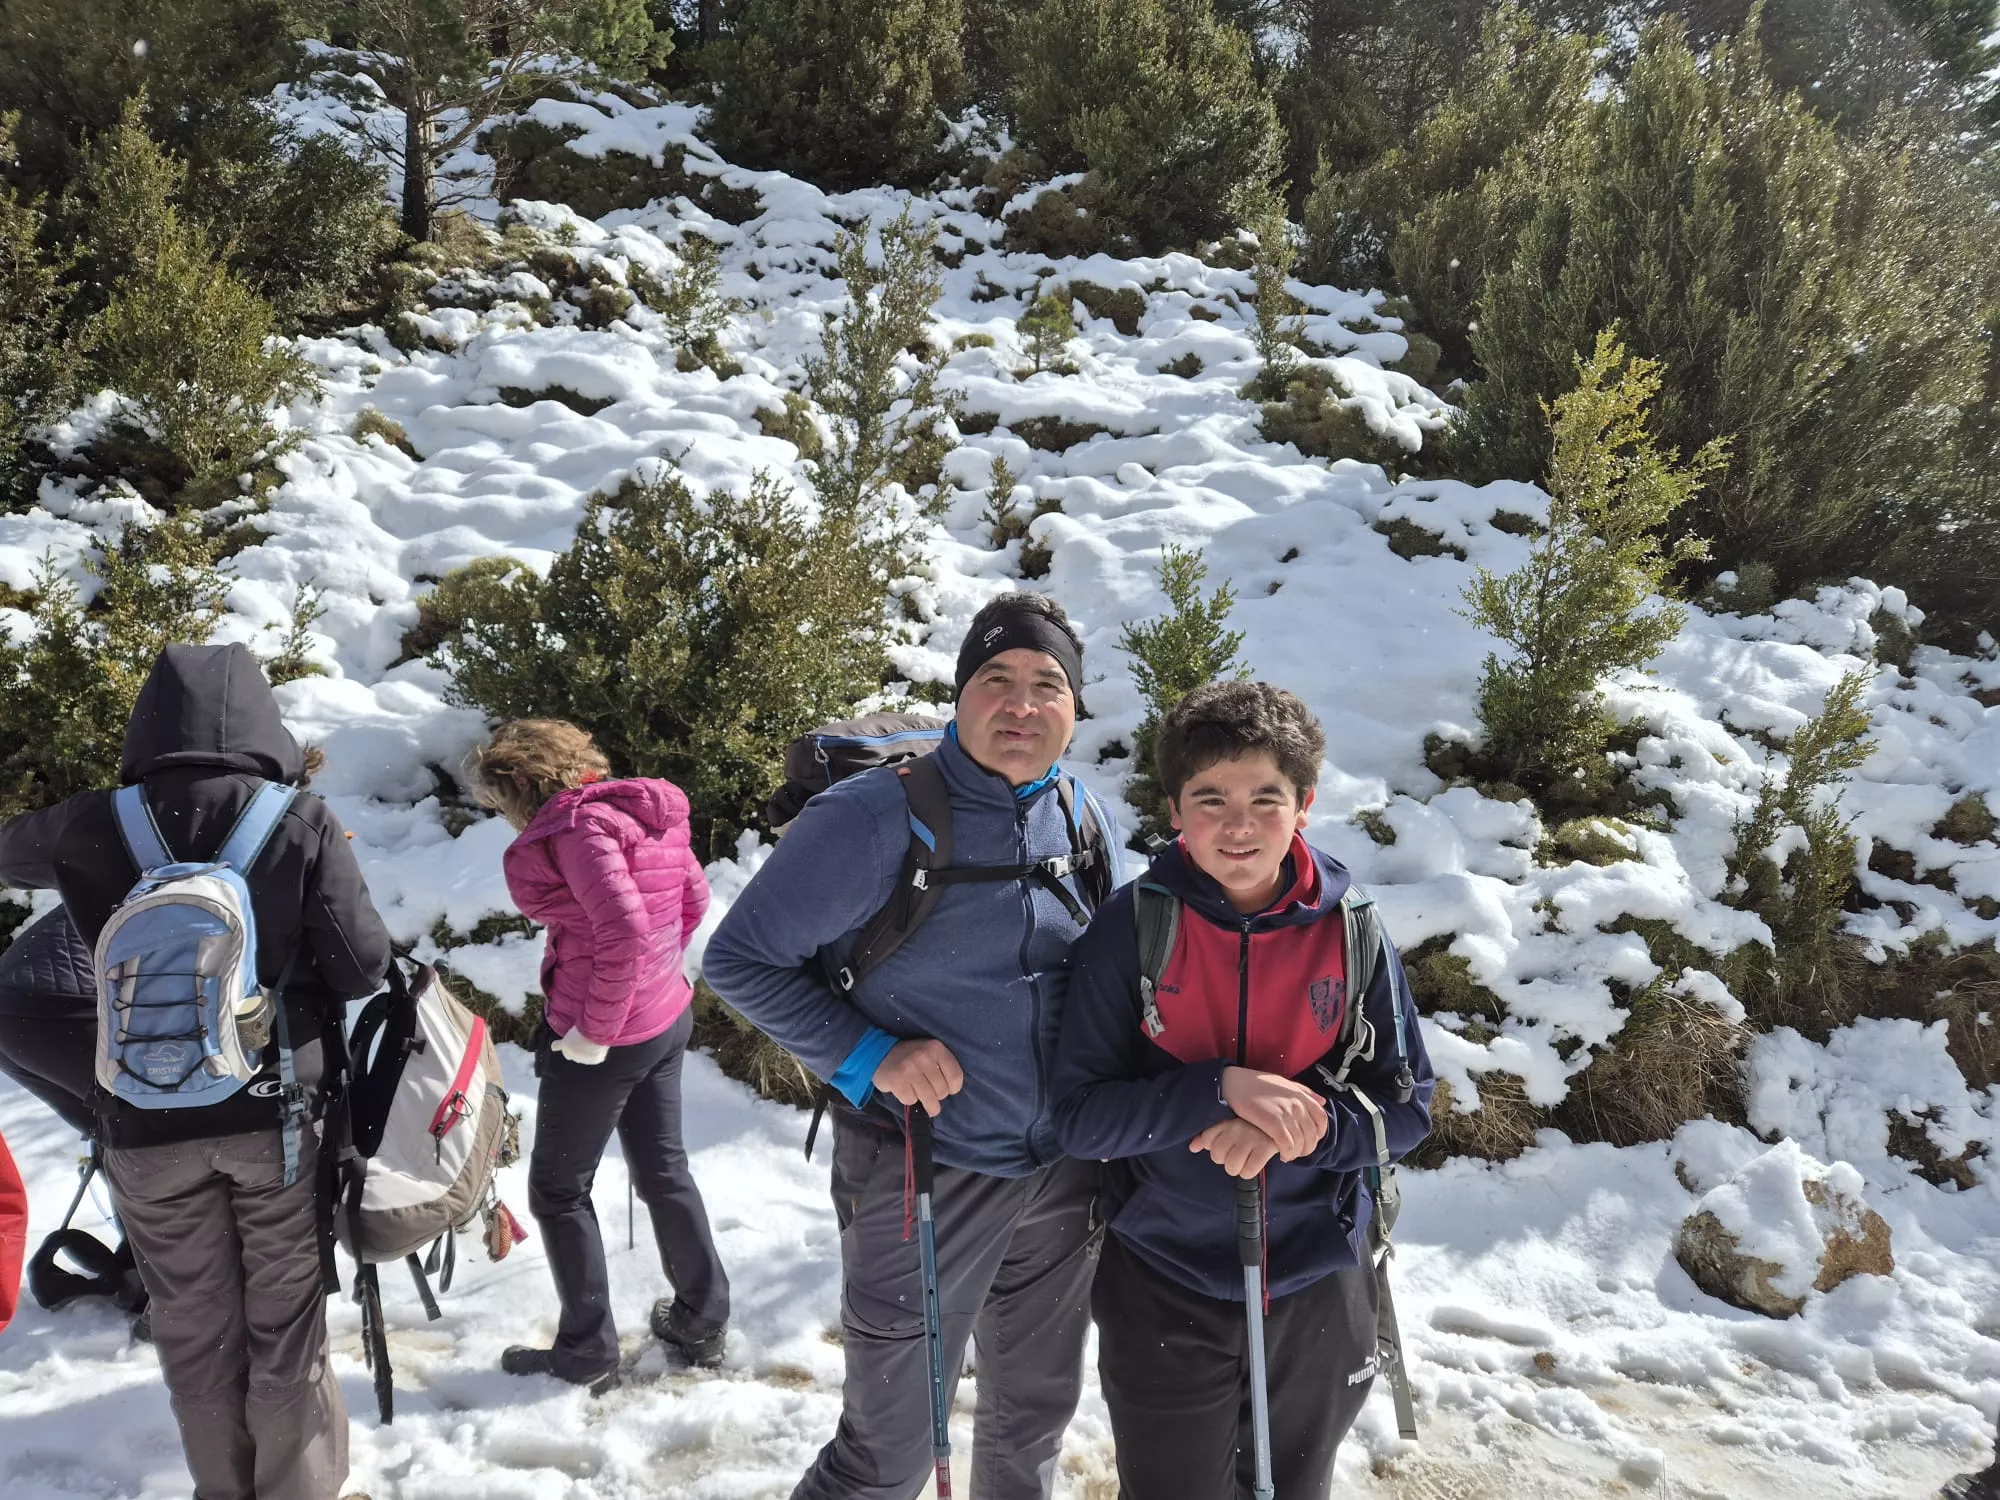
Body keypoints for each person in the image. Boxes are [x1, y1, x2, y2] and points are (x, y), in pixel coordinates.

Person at [705, 590, 1122, 1500]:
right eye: (996, 679)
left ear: (1073, 709)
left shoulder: (1086, 818)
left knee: (1034, 1420)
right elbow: (737, 961)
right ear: (960, 695)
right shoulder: (870, 818)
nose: (1021, 704)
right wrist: (870, 1055)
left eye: (1047, 685)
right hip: (920, 1167)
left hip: (1059, 1171)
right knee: (890, 1453)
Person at [0, 643, 392, 1500]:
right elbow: (363, 969)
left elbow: (8, 854)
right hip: (277, 1118)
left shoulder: (93, 820)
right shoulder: (297, 818)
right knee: (284, 1327)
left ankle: (223, 1490)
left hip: (142, 1118)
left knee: (192, 1323)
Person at [1052, 680, 1434, 1500]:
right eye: (1210, 797)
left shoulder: (1353, 927)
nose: (1238, 824)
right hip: (1164, 1275)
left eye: (1267, 797)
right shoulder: (1132, 928)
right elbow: (1080, 1119)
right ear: (1174, 809)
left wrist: (1297, 1126)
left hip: (1318, 1275)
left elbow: (1406, 1109)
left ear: (1304, 804)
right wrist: (1219, 1092)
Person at [466, 718, 729, 1391]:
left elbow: (624, 927)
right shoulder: (642, 811)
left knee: (558, 1190)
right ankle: (701, 1319)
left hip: (603, 1034)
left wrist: (595, 1029)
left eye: (502, 802)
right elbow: (690, 900)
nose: (505, 817)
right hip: (663, 1015)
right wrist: (657, 982)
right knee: (664, 1170)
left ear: (522, 783)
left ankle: (585, 1355)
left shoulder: (579, 830)